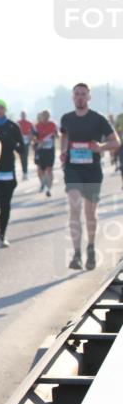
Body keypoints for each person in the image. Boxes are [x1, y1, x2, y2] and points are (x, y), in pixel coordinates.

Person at [59, 83, 120, 271]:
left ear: (88, 97)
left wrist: (100, 147)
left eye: (83, 94)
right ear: (72, 97)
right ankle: (76, 254)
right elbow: (64, 136)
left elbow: (116, 142)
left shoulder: (98, 119)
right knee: (75, 207)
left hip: (92, 170)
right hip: (72, 169)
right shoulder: (66, 118)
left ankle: (91, 248)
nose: (80, 97)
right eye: (77, 94)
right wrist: (63, 151)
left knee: (90, 213)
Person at [0, 100, 25, 248]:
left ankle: (2, 235)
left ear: (5, 110)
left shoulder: (13, 126)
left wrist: (12, 143)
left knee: (5, 204)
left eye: (1, 108)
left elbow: (22, 148)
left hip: (7, 170)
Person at [35, 110, 58, 197]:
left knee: (49, 169)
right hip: (40, 150)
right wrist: (39, 141)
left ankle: (48, 189)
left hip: (50, 150)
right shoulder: (37, 126)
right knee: (40, 169)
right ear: (41, 116)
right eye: (44, 115)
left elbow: (57, 135)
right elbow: (32, 138)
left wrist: (55, 135)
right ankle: (43, 183)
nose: (45, 117)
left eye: (47, 115)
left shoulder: (52, 125)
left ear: (49, 116)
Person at [17, 110, 34, 179]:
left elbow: (32, 132)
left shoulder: (29, 123)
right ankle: (24, 171)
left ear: (26, 115)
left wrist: (30, 139)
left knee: (25, 157)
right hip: (20, 141)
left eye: (24, 115)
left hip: (27, 141)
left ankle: (25, 172)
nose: (23, 116)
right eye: (22, 115)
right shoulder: (18, 123)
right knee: (21, 157)